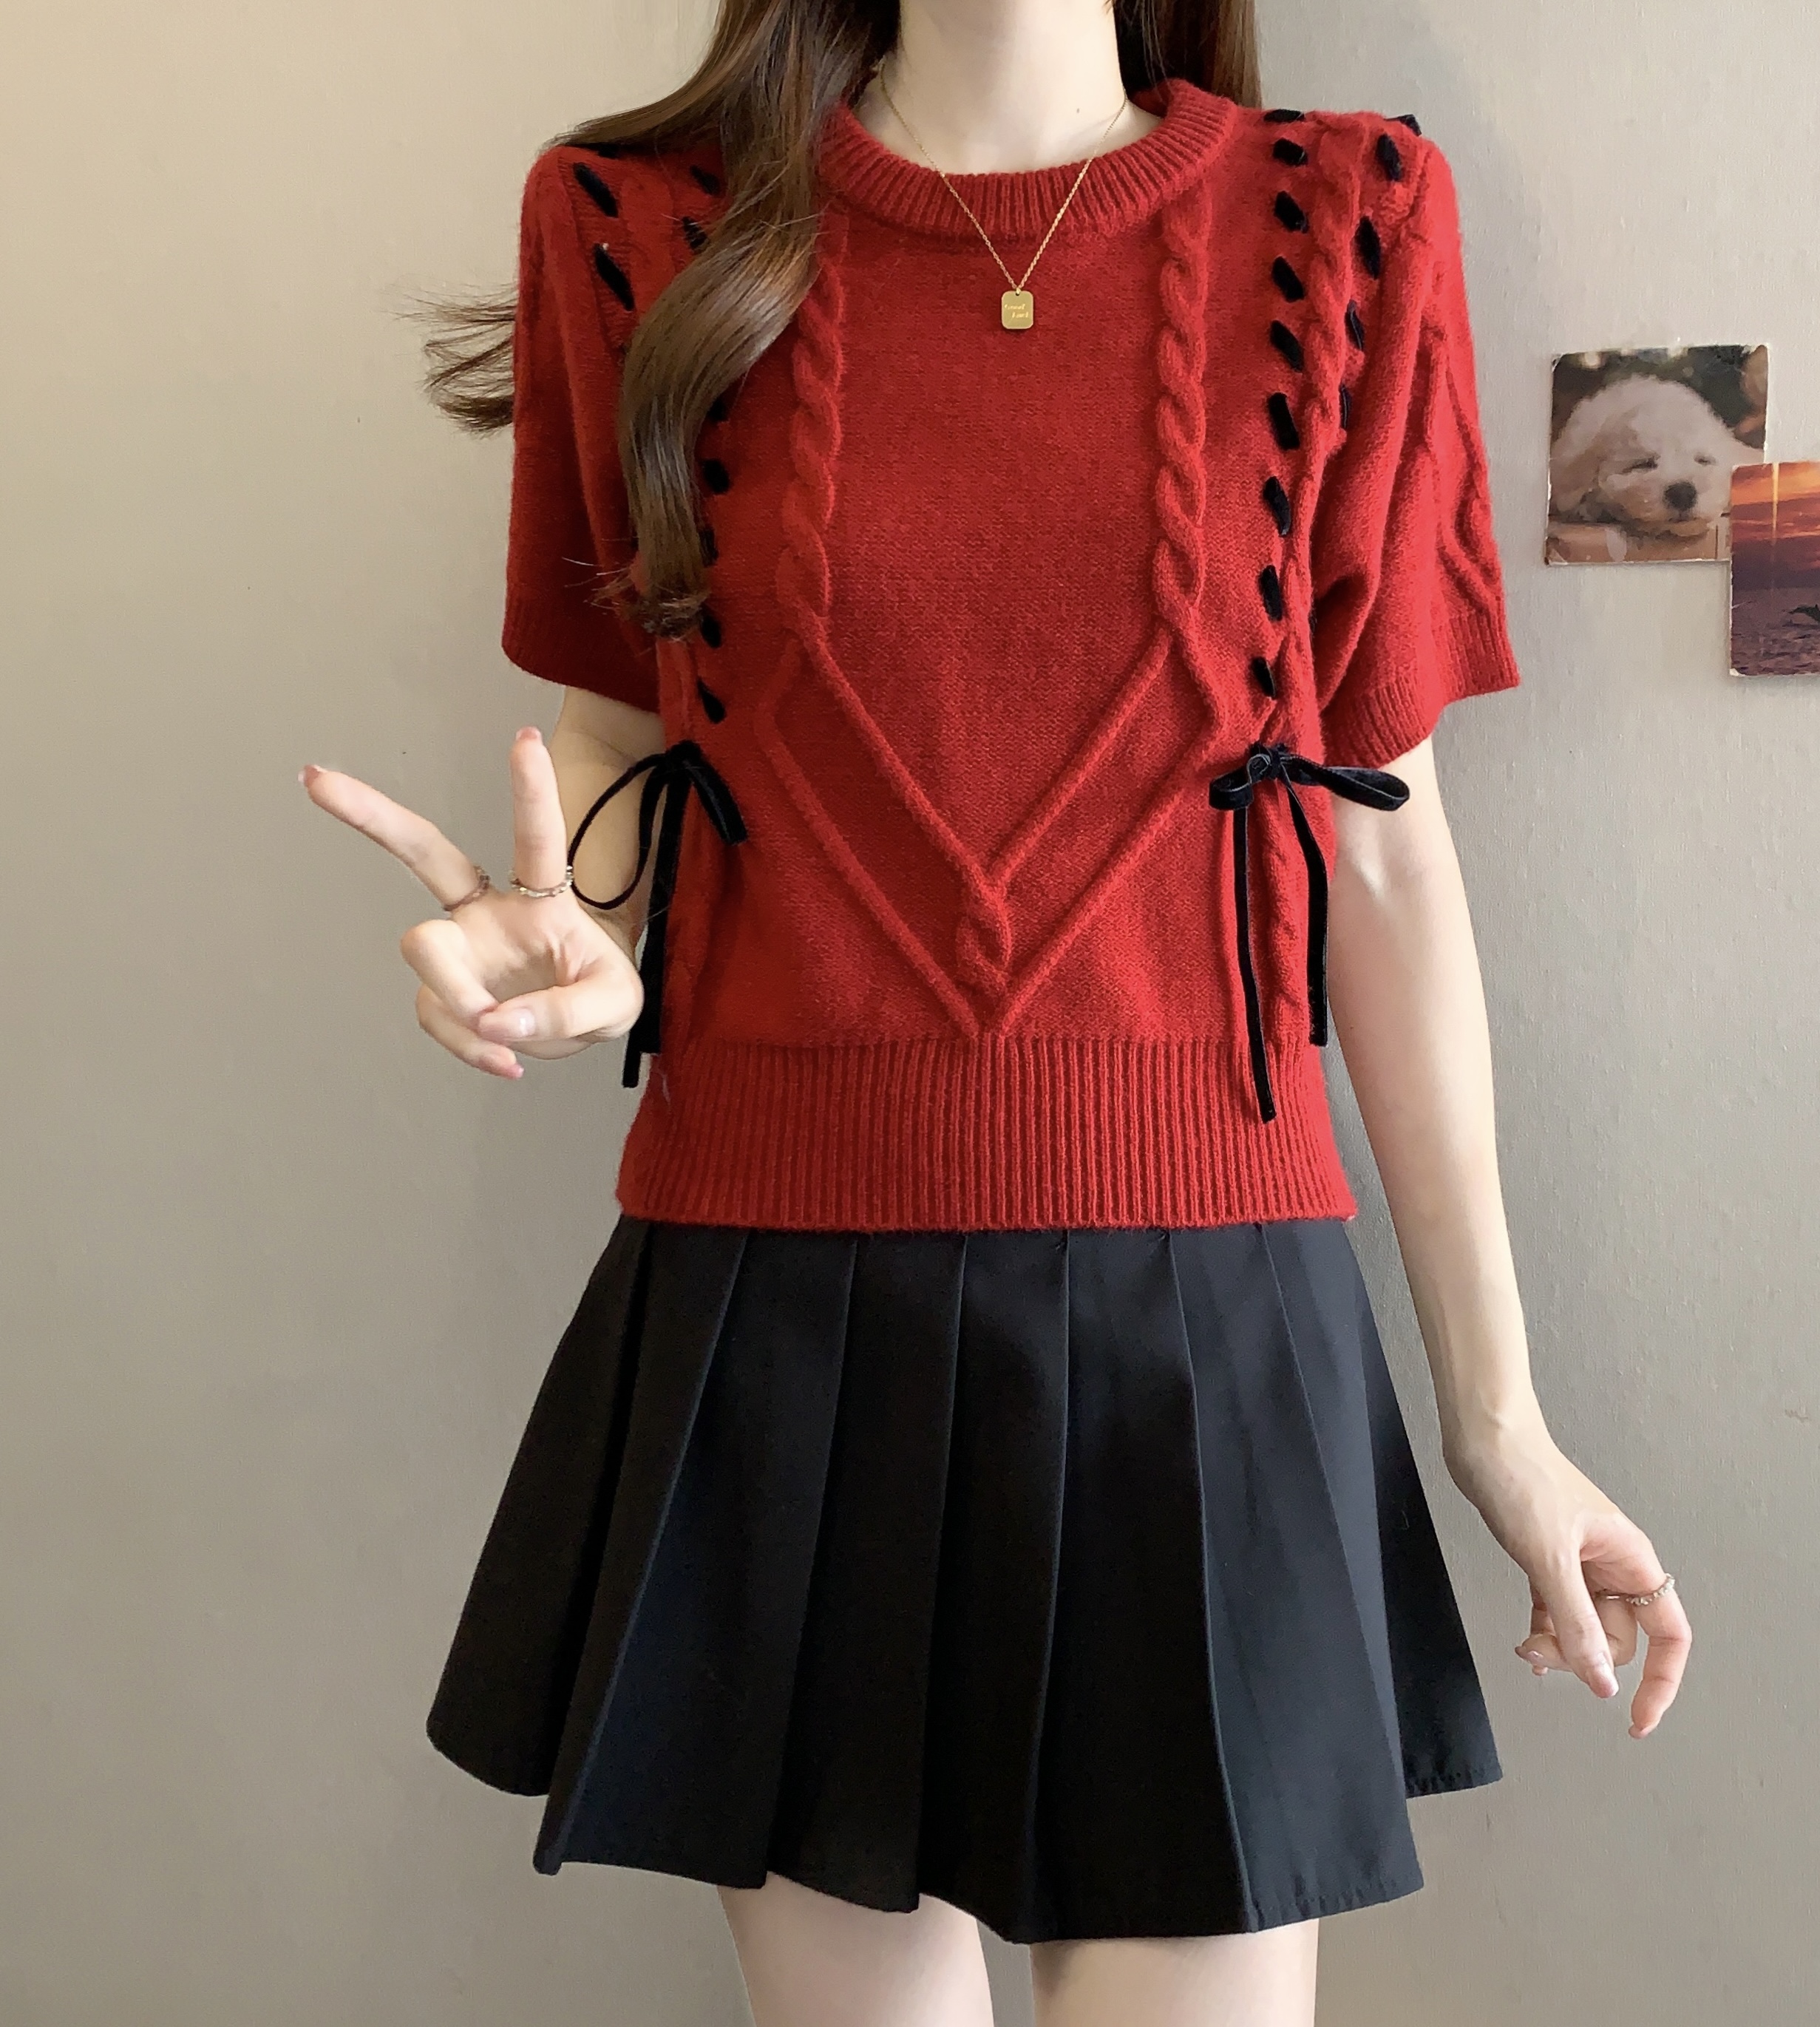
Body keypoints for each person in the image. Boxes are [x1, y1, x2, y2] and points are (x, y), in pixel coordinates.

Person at [302, 1, 1692, 2020]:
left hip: (1208, 1320)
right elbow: (628, 722)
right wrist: (582, 926)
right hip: (773, 1300)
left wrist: (1504, 1425)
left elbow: (1382, 844)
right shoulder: (632, 224)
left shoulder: (1352, 214)